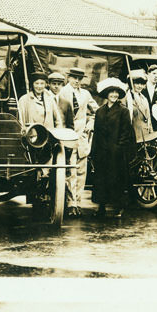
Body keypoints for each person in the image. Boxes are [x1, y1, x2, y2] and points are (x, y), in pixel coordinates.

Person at [57, 67, 98, 216]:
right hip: (67, 135)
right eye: (74, 77)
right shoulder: (62, 93)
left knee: (81, 170)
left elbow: (96, 111)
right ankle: (70, 203)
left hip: (82, 137)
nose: (77, 81)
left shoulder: (85, 94)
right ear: (68, 78)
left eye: (79, 78)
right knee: (70, 170)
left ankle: (78, 202)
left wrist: (90, 123)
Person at [89, 78, 132, 217]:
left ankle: (119, 207)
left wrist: (119, 148)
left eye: (116, 93)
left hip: (116, 152)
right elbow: (96, 132)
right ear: (106, 95)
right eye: (111, 93)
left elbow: (126, 132)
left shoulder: (123, 111)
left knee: (116, 179)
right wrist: (94, 151)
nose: (114, 95)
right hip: (101, 151)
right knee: (101, 180)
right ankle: (101, 207)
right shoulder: (100, 111)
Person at [126, 70, 153, 144]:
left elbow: (148, 118)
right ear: (132, 84)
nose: (140, 86)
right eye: (137, 83)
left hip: (145, 134)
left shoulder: (144, 99)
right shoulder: (126, 98)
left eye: (142, 84)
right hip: (132, 134)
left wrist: (151, 133)